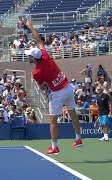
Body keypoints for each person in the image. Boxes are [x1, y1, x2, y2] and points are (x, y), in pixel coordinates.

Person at [24, 20, 82, 155]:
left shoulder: (36, 72)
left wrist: (48, 85)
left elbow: (43, 87)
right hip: (67, 87)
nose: (28, 56)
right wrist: (31, 26)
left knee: (53, 120)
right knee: (73, 114)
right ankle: (78, 138)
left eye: (29, 56)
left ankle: (54, 147)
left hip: (57, 93)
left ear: (33, 58)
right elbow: (39, 40)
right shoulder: (45, 55)